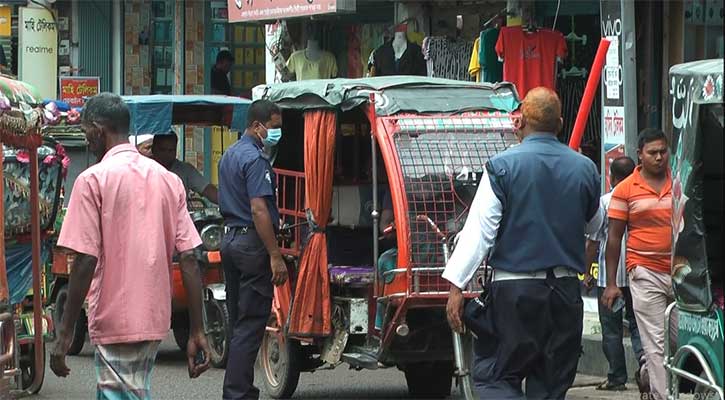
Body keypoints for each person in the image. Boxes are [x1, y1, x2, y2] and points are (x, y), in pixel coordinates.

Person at [443, 87, 602, 399]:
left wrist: (456, 287)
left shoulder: (502, 167)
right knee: (552, 382)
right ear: (559, 124)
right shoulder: (585, 168)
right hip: (565, 294)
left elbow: (479, 234)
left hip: (515, 294)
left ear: (518, 122)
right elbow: (595, 224)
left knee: (498, 376)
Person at [50, 93, 211, 398]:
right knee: (131, 392)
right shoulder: (168, 180)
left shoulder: (92, 180)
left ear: (98, 130)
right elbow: (190, 257)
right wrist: (197, 330)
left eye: (86, 133)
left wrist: (65, 331)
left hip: (114, 317)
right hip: (153, 316)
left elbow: (85, 259)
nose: (87, 141)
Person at [218, 99, 288, 399]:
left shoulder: (230, 155)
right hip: (250, 246)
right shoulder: (256, 160)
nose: (276, 133)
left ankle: (239, 389)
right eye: (274, 128)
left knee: (238, 323)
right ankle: (238, 393)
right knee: (250, 324)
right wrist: (275, 255)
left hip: (230, 240)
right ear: (258, 126)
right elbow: (259, 210)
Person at [602, 128, 673, 400]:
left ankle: (647, 374)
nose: (658, 158)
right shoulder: (625, 190)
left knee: (679, 338)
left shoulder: (678, 180)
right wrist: (611, 284)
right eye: (652, 153)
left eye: (663, 152)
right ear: (639, 155)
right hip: (644, 272)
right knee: (655, 341)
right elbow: (614, 238)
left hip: (680, 273)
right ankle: (661, 395)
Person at [583, 156, 645, 391]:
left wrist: (586, 271)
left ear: (611, 177)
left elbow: (592, 242)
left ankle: (616, 377)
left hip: (610, 280)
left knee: (611, 330)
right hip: (639, 274)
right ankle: (644, 364)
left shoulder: (606, 202)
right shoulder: (643, 196)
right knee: (640, 325)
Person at [152, 132, 219, 204]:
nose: (167, 154)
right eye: (163, 150)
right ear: (153, 149)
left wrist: (227, 202)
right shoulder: (145, 170)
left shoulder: (185, 170)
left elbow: (208, 190)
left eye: (171, 150)